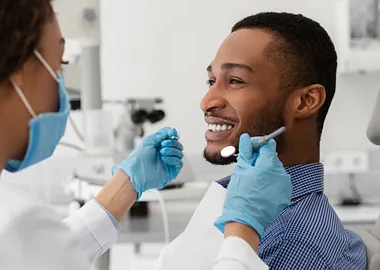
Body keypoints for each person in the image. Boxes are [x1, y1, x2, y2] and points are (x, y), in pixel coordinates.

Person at [0, 1, 291, 269]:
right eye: (60, 63)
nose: (208, 99)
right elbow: (20, 246)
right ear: (17, 70)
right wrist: (243, 231)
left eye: (235, 80)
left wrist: (125, 186)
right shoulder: (6, 225)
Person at [156, 12, 367, 270]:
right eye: (211, 81)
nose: (207, 102)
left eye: (235, 81)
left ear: (306, 101)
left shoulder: (292, 244)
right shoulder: (243, 206)